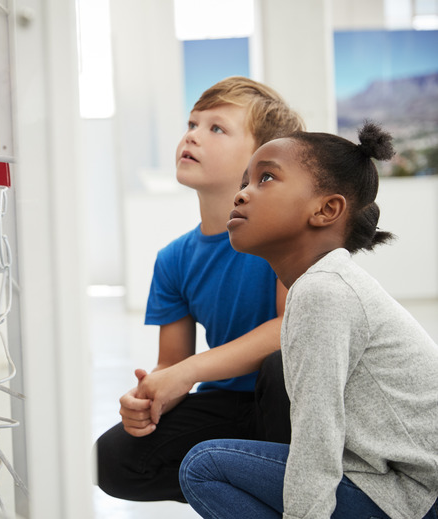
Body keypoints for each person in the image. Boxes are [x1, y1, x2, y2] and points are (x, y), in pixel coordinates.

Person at [178, 122, 438, 518]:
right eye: (244, 181)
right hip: (399, 483)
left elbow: (318, 441)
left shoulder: (324, 291)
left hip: (417, 495)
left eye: (265, 178)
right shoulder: (324, 283)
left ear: (326, 209)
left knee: (206, 465)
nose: (242, 193)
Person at [95, 76, 304, 503]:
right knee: (112, 459)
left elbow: (291, 328)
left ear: (260, 159)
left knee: (279, 367)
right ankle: (253, 495)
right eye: (192, 123)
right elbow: (170, 363)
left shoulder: (284, 237)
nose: (192, 135)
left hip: (293, 404)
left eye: (216, 128)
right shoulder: (173, 259)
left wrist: (186, 373)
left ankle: (291, 491)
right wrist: (148, 398)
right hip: (226, 406)